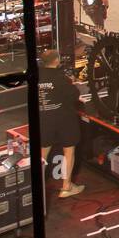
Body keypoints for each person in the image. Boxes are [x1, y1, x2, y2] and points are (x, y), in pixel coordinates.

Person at [37, 48, 84, 198]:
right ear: (57, 61)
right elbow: (74, 95)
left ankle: (35, 186)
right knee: (68, 151)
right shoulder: (60, 77)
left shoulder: (36, 76)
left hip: (44, 118)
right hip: (64, 119)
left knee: (43, 153)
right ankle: (66, 186)